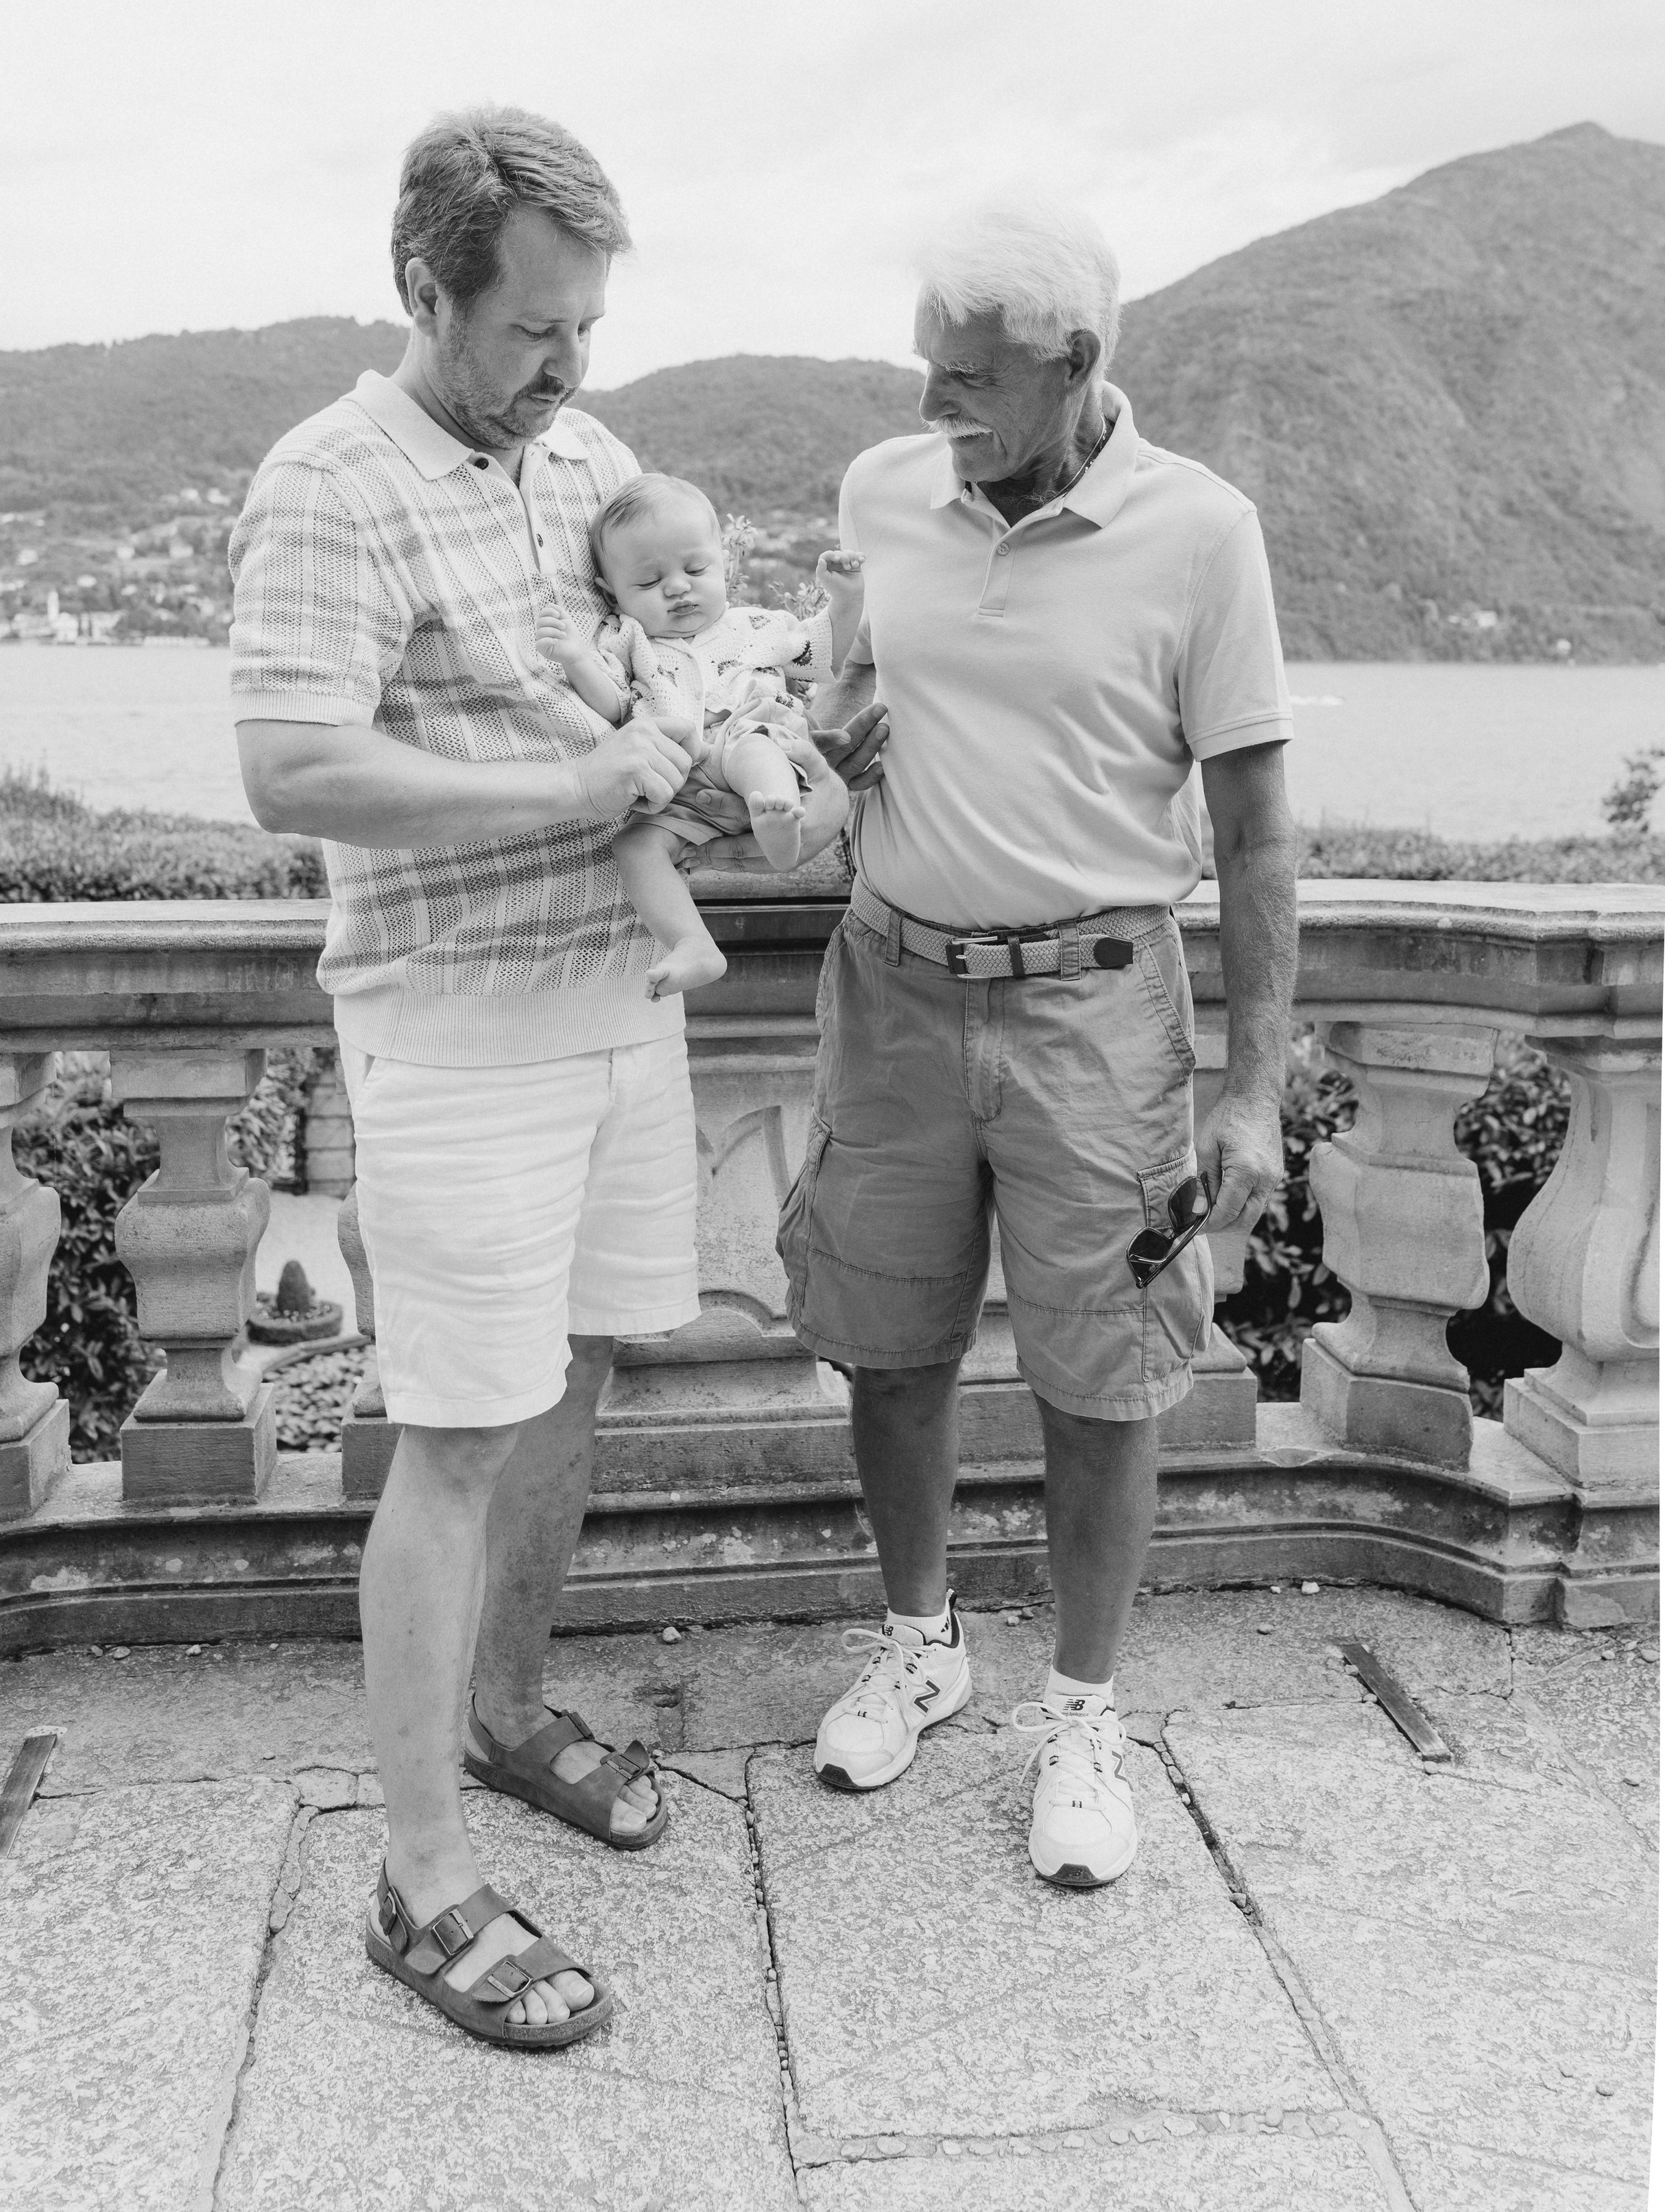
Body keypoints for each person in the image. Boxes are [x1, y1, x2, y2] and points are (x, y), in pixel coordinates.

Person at [230, 102, 867, 2045]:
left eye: (588, 325)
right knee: (453, 1434)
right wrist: (573, 790)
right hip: (452, 1034)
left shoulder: (587, 460)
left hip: (617, 1010)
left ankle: (506, 1712)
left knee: (572, 1378)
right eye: (531, 329)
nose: (569, 367)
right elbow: (291, 767)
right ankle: (418, 1879)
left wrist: (744, 783)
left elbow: (663, 677)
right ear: (424, 289)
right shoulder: (329, 483)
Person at [781, 192, 1297, 1889]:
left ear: (1073, 363)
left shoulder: (1199, 529)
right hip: (891, 989)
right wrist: (825, 733)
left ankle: (1082, 1712)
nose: (929, 401)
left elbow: (1253, 833)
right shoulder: (880, 493)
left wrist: (1251, 1090)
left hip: (1096, 1011)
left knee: (1106, 1373)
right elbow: (833, 706)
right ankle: (918, 1643)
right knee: (888, 1345)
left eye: (967, 375)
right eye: (923, 365)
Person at [540, 471, 866, 991]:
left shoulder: (754, 626)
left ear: (721, 560)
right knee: (635, 847)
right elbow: (613, 703)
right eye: (648, 583)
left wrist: (846, 600)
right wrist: (577, 659)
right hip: (680, 781)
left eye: (696, 569)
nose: (677, 587)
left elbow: (824, 648)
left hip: (746, 736)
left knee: (755, 746)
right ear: (611, 593)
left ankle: (778, 821)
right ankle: (693, 943)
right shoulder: (628, 642)